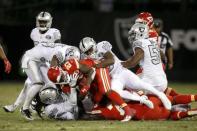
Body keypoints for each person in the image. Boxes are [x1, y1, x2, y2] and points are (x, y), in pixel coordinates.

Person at [79, 37, 171, 110]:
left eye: (90, 49)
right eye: (87, 52)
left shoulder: (101, 46)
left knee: (140, 85)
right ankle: (141, 100)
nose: (89, 53)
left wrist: (94, 67)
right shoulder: (86, 58)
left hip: (121, 71)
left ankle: (161, 95)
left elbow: (111, 60)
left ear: (93, 45)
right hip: (114, 77)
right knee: (115, 92)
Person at [3, 11, 61, 113]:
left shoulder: (54, 33)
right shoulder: (34, 32)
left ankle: (49, 107)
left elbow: (59, 49)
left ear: (49, 22)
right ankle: (15, 106)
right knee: (28, 84)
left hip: (48, 65)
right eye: (40, 22)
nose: (42, 24)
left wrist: (56, 65)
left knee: (52, 88)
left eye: (44, 22)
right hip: (36, 63)